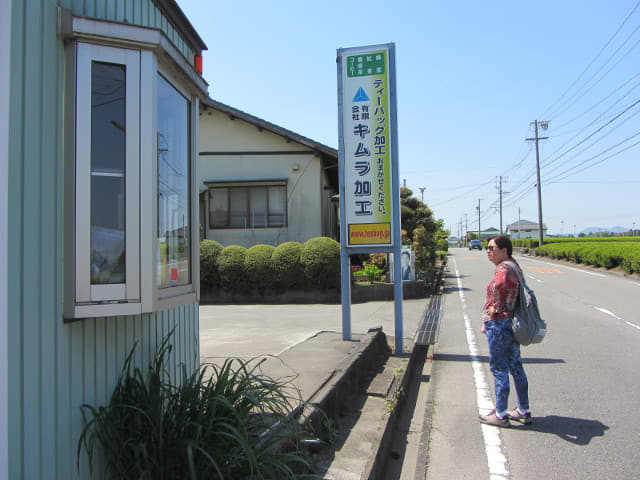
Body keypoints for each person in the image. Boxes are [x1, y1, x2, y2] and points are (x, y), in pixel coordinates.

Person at [479, 235, 532, 427]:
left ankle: (500, 414)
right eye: (487, 247)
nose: (488, 250)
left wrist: (496, 306)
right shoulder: (513, 266)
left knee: (499, 368)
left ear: (504, 250)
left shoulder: (502, 268)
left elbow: (500, 285)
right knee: (515, 366)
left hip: (500, 322)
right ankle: (523, 410)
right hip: (510, 322)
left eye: (492, 247)